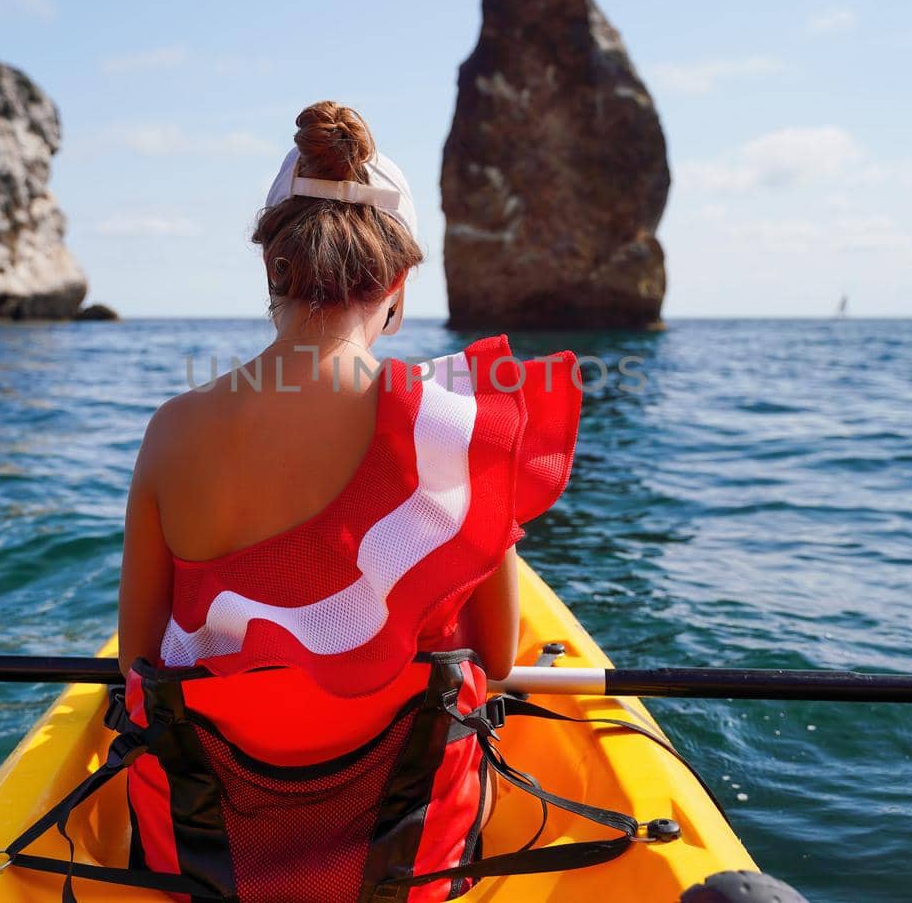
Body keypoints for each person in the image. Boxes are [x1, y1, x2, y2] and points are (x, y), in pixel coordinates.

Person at [109, 102, 583, 902]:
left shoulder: (172, 432)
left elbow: (137, 662)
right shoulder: (458, 429)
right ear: (397, 283)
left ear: (273, 266)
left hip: (212, 854)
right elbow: (496, 661)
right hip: (406, 856)